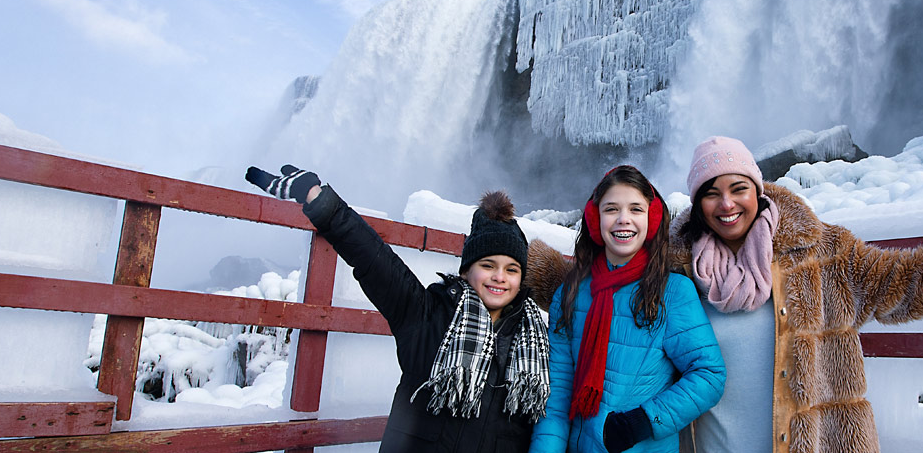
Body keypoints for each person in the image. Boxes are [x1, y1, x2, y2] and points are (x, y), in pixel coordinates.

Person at [671, 136, 923, 453]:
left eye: (738, 187)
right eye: (711, 192)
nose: (727, 203)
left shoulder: (823, 254)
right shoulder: (677, 272)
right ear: (697, 201)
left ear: (758, 190)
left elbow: (912, 281)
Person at [246, 164, 564, 453]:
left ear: (523, 279)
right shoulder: (425, 314)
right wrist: (320, 201)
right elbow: (373, 258)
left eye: (511, 269)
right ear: (467, 270)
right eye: (488, 264)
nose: (499, 277)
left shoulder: (536, 343)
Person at [528, 165, 726, 453]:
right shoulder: (569, 294)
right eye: (611, 209)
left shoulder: (673, 293)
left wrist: (643, 421)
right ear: (595, 220)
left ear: (652, 218)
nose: (623, 220)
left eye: (636, 209)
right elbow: (557, 395)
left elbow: (709, 374)